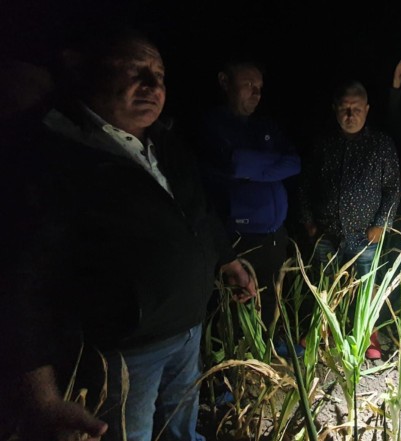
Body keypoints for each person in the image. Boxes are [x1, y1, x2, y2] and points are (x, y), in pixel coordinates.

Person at [3, 29, 255, 441]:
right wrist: (42, 397)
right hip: (125, 352)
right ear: (89, 73)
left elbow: (199, 215)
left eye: (159, 75)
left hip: (188, 331)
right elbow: (24, 281)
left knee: (181, 428)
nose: (154, 87)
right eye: (136, 71)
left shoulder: (166, 143)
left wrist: (227, 259)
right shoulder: (54, 157)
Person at [298, 79, 401, 359]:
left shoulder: (381, 144)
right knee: (324, 286)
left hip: (365, 235)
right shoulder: (322, 144)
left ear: (367, 109)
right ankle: (322, 329)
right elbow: (305, 184)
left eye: (356, 108)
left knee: (366, 288)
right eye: (345, 108)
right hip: (326, 234)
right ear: (335, 109)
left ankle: (368, 335)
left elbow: (393, 187)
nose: (350, 115)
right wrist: (308, 221)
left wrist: (382, 223)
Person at [198, 58, 300, 330]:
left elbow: (294, 162)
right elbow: (233, 163)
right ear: (224, 82)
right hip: (240, 237)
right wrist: (270, 164)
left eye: (260, 86)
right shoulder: (212, 125)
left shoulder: (263, 125)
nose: (257, 93)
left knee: (271, 301)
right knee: (238, 305)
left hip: (274, 233)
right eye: (248, 84)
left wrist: (250, 167)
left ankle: (266, 355)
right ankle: (237, 365)